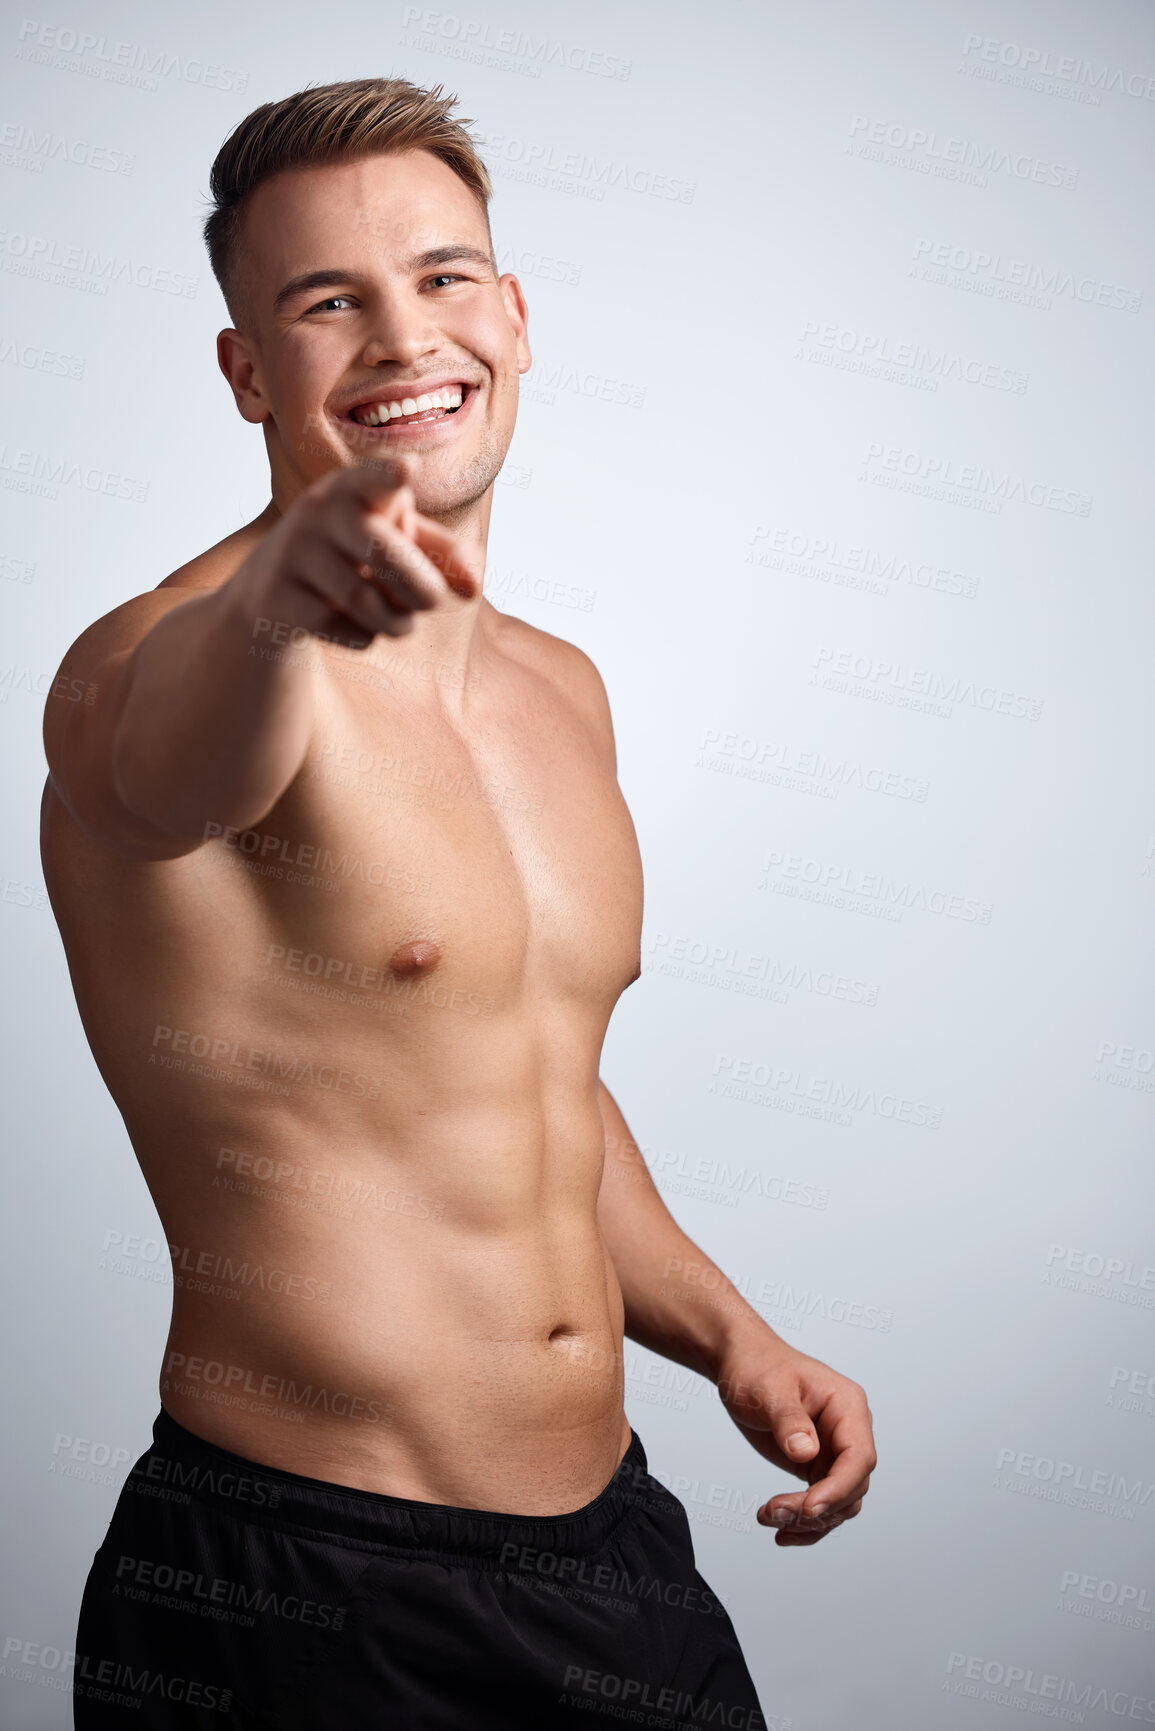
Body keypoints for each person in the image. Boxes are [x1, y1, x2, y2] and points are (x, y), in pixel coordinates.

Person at [42, 76, 876, 1730]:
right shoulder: (148, 661)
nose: (402, 336)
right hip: (300, 1585)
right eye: (325, 303)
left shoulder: (561, 692)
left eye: (439, 278)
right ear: (245, 370)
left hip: (610, 1545)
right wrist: (280, 600)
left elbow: (526, 1079)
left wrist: (732, 1339)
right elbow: (174, 771)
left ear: (511, 312)